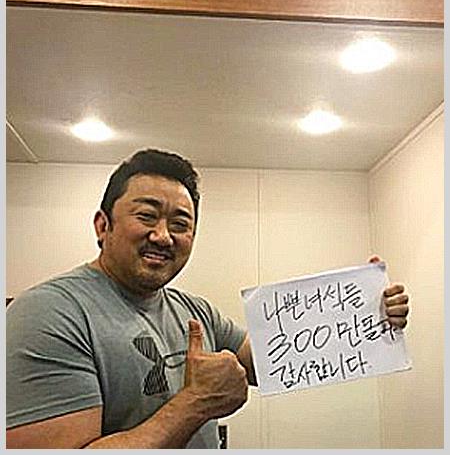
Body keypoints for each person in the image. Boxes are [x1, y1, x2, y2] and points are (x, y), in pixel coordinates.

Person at [6, 148, 410, 449]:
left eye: (180, 224)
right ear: (102, 225)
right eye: (146, 216)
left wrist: (367, 313)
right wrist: (195, 404)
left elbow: (275, 359)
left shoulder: (194, 312)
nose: (163, 236)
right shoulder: (48, 313)